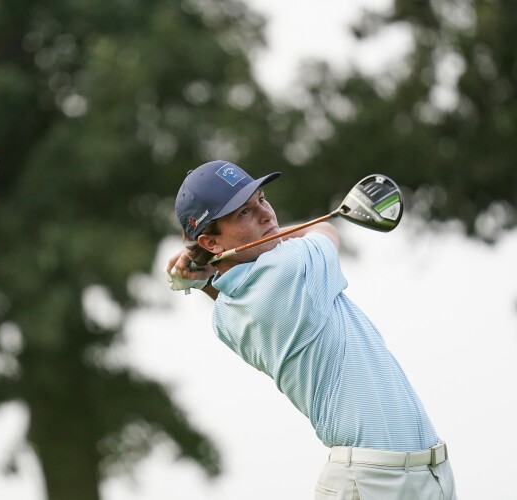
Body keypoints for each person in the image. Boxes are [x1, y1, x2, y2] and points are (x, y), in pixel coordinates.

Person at [165, 160, 457, 499]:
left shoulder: (224, 317)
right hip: (376, 481)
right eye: (244, 213)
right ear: (211, 242)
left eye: (261, 199)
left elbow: (231, 290)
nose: (266, 215)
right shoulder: (289, 268)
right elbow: (327, 231)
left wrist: (201, 276)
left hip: (418, 474)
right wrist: (202, 273)